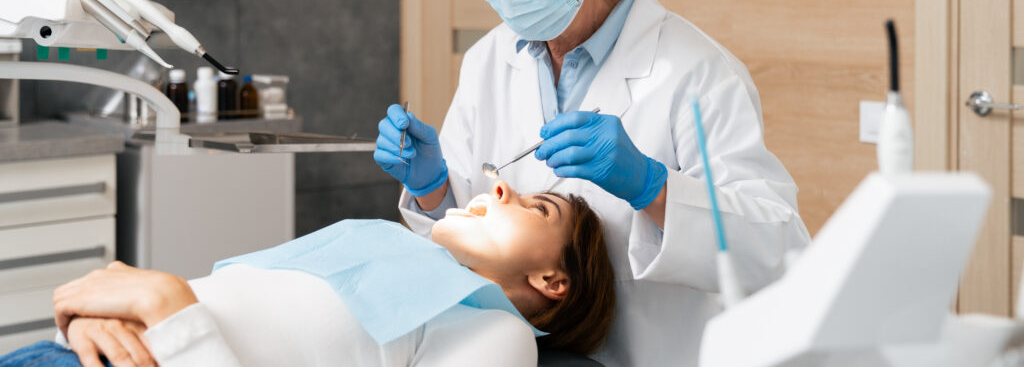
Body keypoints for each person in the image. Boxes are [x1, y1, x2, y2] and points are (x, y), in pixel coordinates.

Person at [374, 0, 813, 366]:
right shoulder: (492, 57)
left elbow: (782, 249)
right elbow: (476, 232)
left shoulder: (696, 73)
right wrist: (434, 189)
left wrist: (653, 188)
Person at [0, 181, 615, 367]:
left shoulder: (495, 334)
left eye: (537, 207)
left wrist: (169, 310)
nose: (498, 185)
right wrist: (89, 319)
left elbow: (188, 316)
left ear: (551, 281)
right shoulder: (387, 245)